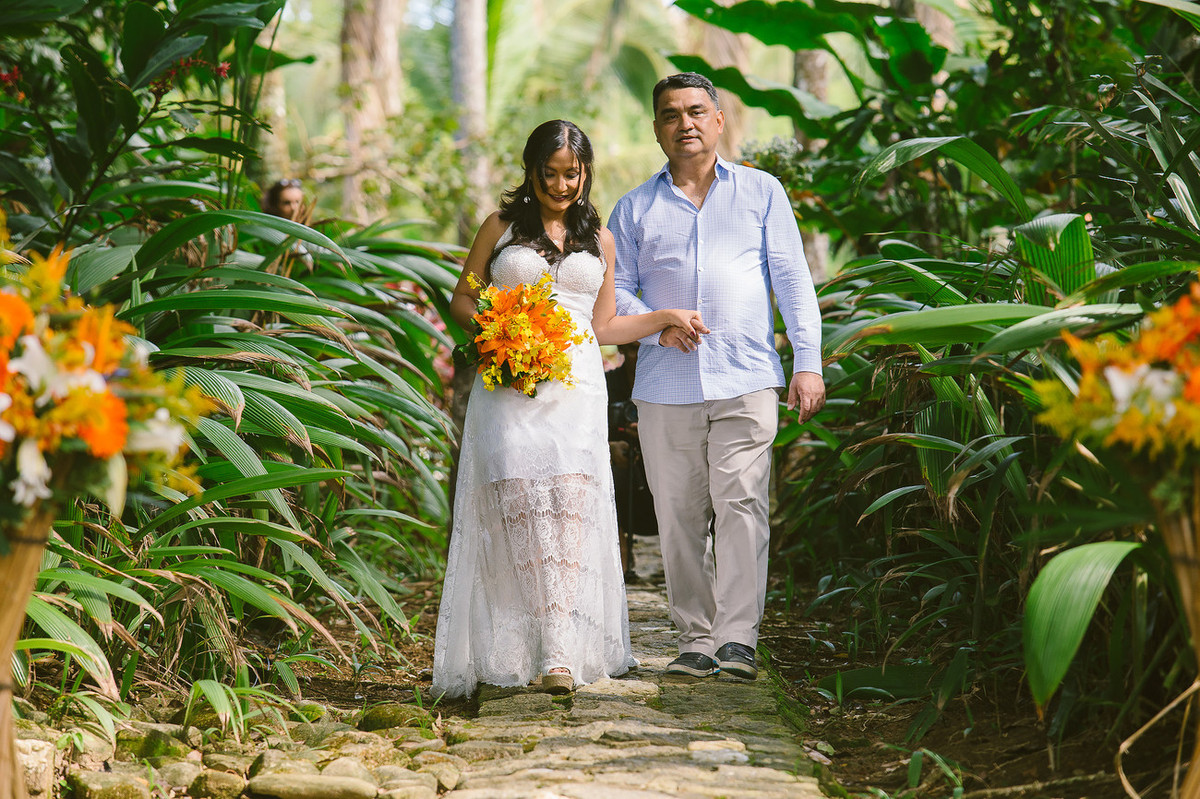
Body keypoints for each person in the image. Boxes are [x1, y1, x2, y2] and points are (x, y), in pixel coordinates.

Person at [432, 120, 707, 698]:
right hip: (511, 383)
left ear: (586, 173)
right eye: (550, 173)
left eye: (572, 174)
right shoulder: (500, 227)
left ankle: (558, 652)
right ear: (531, 171)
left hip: (577, 387)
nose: (561, 185)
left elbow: (603, 326)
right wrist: (498, 332)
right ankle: (530, 642)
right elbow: (462, 298)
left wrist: (662, 318)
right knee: (518, 504)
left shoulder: (599, 238)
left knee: (569, 507)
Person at [610, 73, 825, 682]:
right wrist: (656, 325)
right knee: (678, 515)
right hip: (664, 385)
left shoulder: (761, 192)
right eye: (671, 114)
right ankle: (696, 639)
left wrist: (808, 362)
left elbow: (792, 279)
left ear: (719, 119)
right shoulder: (634, 207)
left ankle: (738, 639)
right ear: (657, 128)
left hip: (746, 375)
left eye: (697, 111)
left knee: (743, 504)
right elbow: (615, 289)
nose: (685, 123)